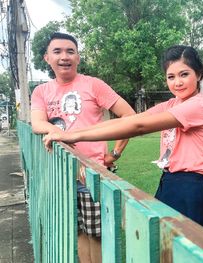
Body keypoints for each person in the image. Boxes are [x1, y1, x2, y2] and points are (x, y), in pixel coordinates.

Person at [44, 45, 203, 231]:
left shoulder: (197, 106)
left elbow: (138, 127)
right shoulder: (172, 104)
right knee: (165, 248)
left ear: (198, 74)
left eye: (184, 74)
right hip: (168, 181)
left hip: (189, 186)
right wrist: (70, 134)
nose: (177, 82)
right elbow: (132, 119)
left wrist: (73, 135)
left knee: (187, 250)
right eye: (171, 77)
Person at [31, 32, 135, 263]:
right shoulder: (41, 91)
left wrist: (115, 153)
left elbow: (128, 116)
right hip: (59, 175)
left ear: (78, 57)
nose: (64, 56)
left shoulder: (93, 85)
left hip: (90, 176)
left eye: (70, 51)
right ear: (46, 58)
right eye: (57, 51)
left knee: (97, 236)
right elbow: (38, 122)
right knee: (77, 232)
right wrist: (57, 132)